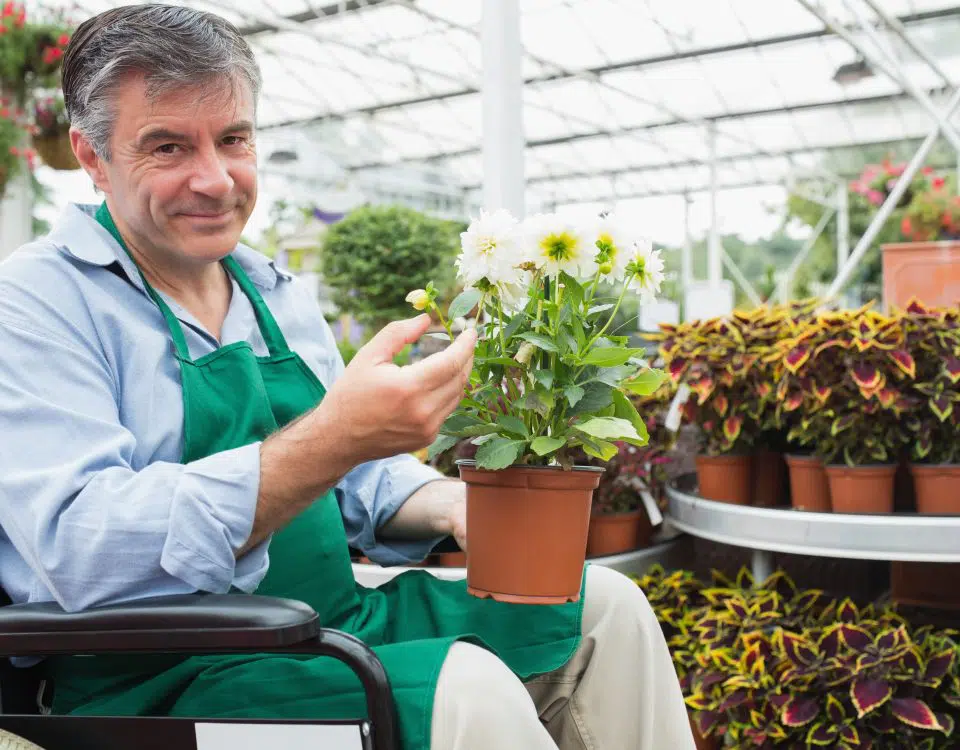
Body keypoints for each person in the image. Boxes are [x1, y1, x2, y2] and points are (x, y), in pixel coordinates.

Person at [0, 5, 695, 749]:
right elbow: (80, 547)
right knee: (467, 688)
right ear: (92, 156)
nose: (215, 179)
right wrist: (332, 440)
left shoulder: (273, 293)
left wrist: (456, 504)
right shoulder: (38, 302)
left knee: (606, 610)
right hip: (156, 677)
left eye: (233, 139)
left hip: (323, 624)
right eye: (168, 146)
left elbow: (359, 484)